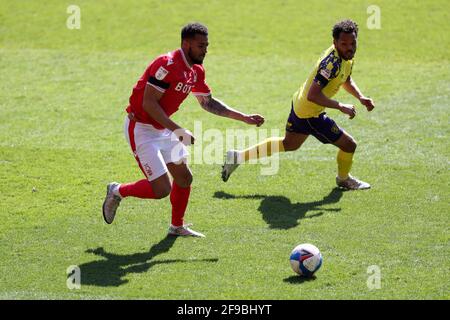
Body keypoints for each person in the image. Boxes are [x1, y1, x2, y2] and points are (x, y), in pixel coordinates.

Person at [102, 22, 264, 237]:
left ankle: (176, 226)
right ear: (186, 44)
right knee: (161, 189)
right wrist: (178, 130)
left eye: (206, 45)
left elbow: (208, 102)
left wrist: (243, 117)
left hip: (163, 127)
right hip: (141, 127)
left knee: (184, 178)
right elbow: (148, 103)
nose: (205, 50)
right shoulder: (167, 65)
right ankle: (117, 191)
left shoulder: (195, 71)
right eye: (200, 46)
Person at [222, 19, 375, 190]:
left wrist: (360, 97)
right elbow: (313, 95)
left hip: (300, 105)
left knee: (290, 144)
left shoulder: (346, 57)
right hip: (310, 112)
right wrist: (340, 106)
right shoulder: (331, 63)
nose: (350, 47)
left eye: (353, 43)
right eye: (344, 43)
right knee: (349, 145)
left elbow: (345, 78)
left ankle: (238, 157)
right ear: (335, 43)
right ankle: (344, 179)